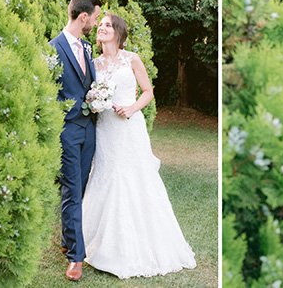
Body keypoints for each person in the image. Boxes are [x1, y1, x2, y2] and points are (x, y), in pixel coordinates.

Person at [81, 14, 197, 279]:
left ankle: (134, 246)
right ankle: (93, 243)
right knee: (105, 176)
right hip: (105, 129)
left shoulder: (131, 59)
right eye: (100, 25)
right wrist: (94, 102)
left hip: (128, 128)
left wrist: (131, 108)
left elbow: (148, 92)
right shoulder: (93, 63)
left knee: (133, 179)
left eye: (107, 25)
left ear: (119, 32)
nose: (102, 28)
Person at [47, 0, 102, 281]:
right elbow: (48, 92)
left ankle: (69, 239)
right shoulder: (53, 48)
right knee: (71, 188)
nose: (95, 22)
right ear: (83, 17)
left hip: (89, 129)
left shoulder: (88, 47)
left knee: (79, 190)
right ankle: (75, 258)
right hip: (68, 130)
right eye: (94, 17)